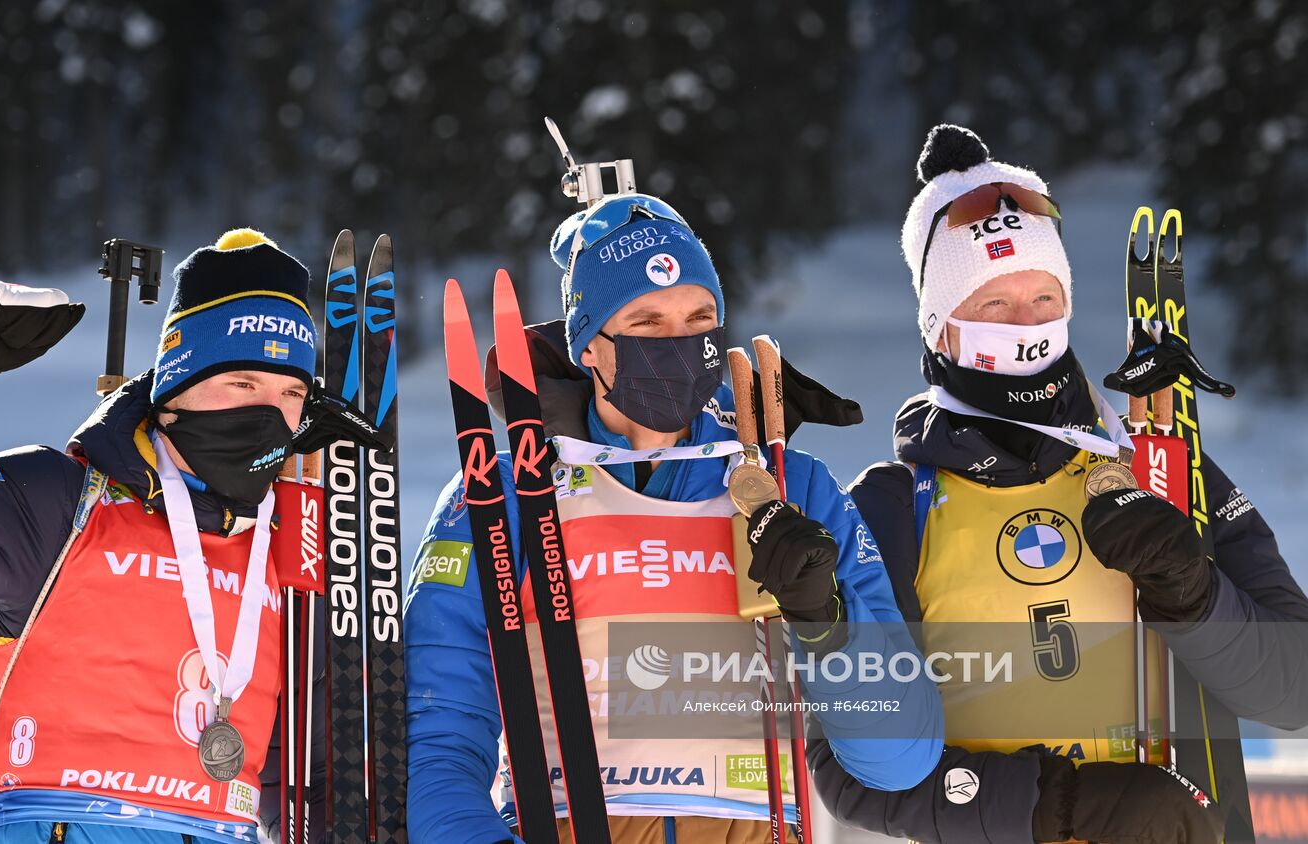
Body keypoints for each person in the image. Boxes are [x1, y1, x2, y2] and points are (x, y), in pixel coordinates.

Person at [807, 125, 1308, 843]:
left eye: (1044, 298)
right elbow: (848, 771)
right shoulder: (891, 509)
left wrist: (1192, 593)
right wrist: (1058, 807)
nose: (1027, 328)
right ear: (939, 329)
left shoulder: (1160, 464)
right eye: (993, 305)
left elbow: (1293, 690)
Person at [405, 193, 943, 843]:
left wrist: (826, 623)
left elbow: (901, 760)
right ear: (588, 346)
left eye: (700, 319)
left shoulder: (791, 486)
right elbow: (439, 742)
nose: (680, 344)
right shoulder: (504, 495)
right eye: (647, 322)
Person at [0, 229, 365, 843]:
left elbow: (297, 777)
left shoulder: (289, 549)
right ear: (177, 383)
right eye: (243, 384)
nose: (269, 413)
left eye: (291, 393)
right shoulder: (54, 503)